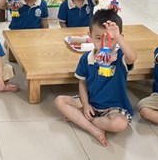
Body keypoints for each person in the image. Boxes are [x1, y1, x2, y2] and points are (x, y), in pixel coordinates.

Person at [55, 9, 136, 146]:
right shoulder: (86, 58)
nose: (105, 43)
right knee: (60, 101)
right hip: (91, 102)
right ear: (90, 36)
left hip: (114, 108)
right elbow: (82, 83)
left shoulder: (120, 57)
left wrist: (118, 37)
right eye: (98, 38)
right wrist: (85, 104)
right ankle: (93, 129)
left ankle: (88, 120)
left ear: (119, 37)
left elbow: (132, 57)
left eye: (110, 39)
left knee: (119, 124)